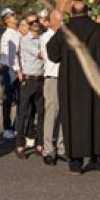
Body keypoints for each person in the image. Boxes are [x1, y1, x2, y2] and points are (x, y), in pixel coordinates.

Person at [45, 1, 100, 174]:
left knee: (74, 120)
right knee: (98, 117)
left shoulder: (64, 32)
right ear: (88, 12)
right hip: (96, 82)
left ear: (72, 13)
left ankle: (76, 163)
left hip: (72, 84)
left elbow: (52, 54)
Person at [14, 13, 45, 159]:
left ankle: (39, 144)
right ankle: (20, 145)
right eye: (31, 22)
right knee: (23, 113)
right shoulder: (26, 40)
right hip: (29, 80)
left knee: (41, 113)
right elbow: (41, 54)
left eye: (36, 21)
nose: (35, 24)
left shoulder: (42, 37)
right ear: (27, 25)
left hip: (41, 79)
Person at [39, 9, 65, 165]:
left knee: (63, 114)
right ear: (52, 21)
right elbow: (52, 58)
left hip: (64, 78)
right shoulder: (46, 37)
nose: (63, 23)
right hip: (52, 78)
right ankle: (48, 150)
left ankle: (61, 147)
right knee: (51, 115)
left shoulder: (64, 36)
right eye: (60, 20)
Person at [0, 8, 21, 139]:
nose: (15, 16)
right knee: (8, 99)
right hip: (9, 69)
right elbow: (11, 56)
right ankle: (7, 128)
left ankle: (17, 125)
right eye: (12, 15)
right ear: (7, 20)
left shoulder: (16, 33)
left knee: (20, 98)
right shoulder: (8, 35)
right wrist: (18, 71)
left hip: (16, 69)